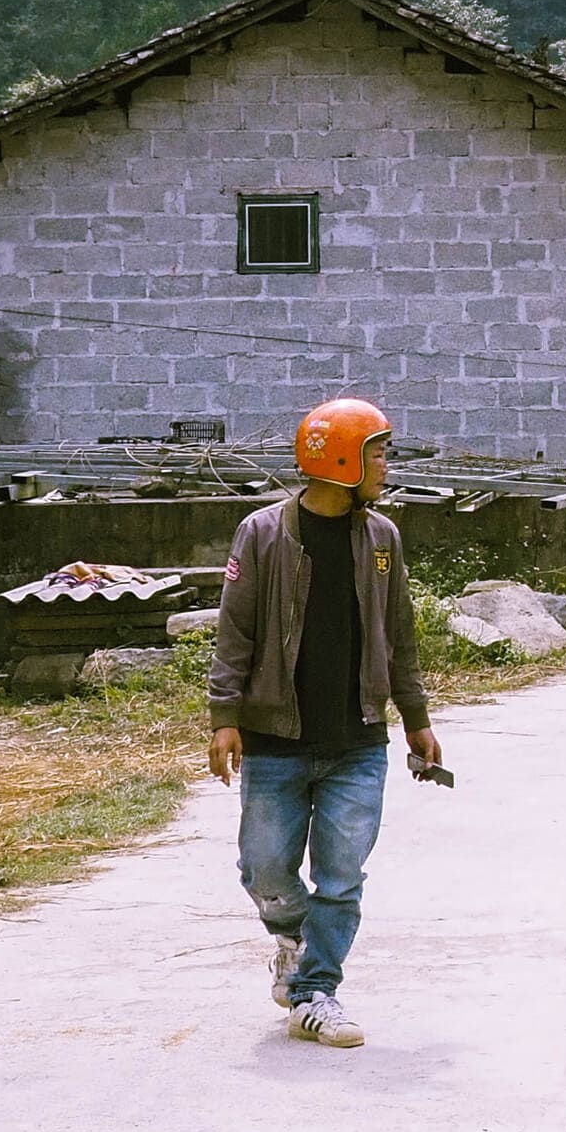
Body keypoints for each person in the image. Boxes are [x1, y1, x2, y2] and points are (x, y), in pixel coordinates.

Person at [207, 397, 443, 1045]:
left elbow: (399, 636)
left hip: (357, 741)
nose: (386, 465)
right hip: (275, 738)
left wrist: (416, 717)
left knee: (341, 878)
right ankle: (291, 940)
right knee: (264, 869)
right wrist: (224, 715)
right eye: (377, 452)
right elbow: (236, 631)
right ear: (340, 458)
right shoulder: (262, 534)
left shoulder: (382, 540)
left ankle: (316, 991)